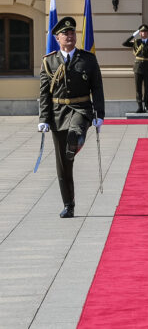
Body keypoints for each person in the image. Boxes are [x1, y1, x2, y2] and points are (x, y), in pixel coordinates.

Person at [38, 17, 105, 218]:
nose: (69, 36)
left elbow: (97, 88)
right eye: (65, 34)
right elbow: (44, 93)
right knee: (63, 165)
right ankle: (69, 204)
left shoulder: (88, 59)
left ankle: (76, 140)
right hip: (58, 114)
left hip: (81, 110)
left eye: (72, 33)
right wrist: (43, 118)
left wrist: (99, 114)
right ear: (57, 38)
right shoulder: (49, 61)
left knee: (74, 133)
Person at [122, 24, 148, 112]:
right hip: (138, 68)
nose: (143, 33)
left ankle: (146, 106)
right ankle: (140, 107)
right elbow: (124, 43)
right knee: (138, 88)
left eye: (145, 32)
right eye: (142, 32)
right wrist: (133, 35)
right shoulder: (136, 42)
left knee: (147, 88)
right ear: (140, 33)